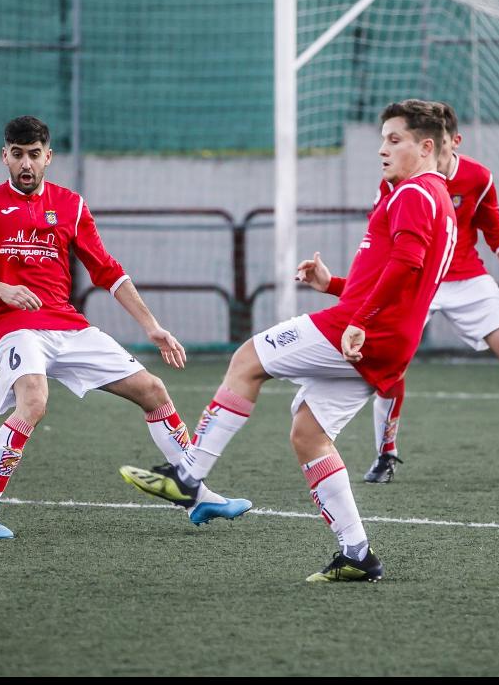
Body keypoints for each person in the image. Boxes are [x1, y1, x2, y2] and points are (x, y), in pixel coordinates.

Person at [121, 100, 455, 582]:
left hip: (359, 330)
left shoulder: (414, 195)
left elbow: (406, 265)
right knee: (308, 434)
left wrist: (358, 316)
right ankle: (357, 554)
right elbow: (399, 274)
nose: (382, 149)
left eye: (394, 139)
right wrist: (334, 284)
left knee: (248, 358)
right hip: (387, 338)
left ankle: (187, 475)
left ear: (427, 148)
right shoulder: (433, 200)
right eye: (382, 138)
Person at [0, 115, 250, 538]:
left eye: (34, 155)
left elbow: (107, 271)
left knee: (153, 391)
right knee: (33, 401)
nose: (26, 164)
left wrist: (152, 326)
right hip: (15, 326)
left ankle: (196, 496)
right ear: (5, 156)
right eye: (17, 155)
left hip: (68, 326)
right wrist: (2, 288)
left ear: (48, 157)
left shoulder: (71, 205)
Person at [299, 103, 499, 488]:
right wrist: (341, 286)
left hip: (467, 278)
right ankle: (385, 454)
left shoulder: (478, 178)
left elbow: (496, 230)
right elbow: (383, 250)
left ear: (448, 143)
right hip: (417, 279)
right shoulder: (397, 182)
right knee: (393, 364)